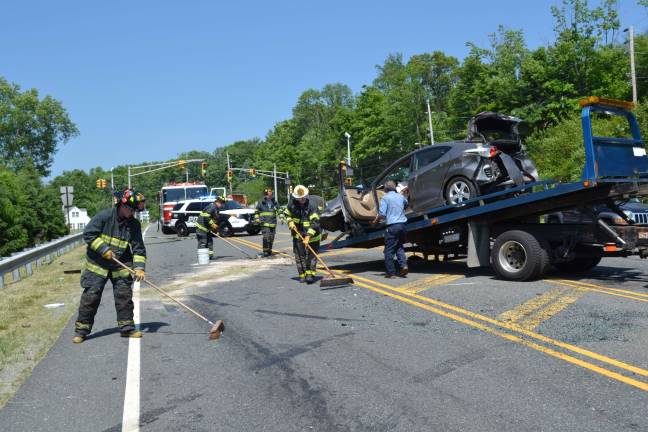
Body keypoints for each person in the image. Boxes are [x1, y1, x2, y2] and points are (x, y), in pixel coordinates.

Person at [72, 189, 147, 343]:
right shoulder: (104, 216)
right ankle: (81, 331)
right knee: (91, 297)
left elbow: (138, 248)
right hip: (98, 263)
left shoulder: (134, 224)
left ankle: (127, 329)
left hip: (121, 263)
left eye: (134, 210)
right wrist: (103, 249)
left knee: (124, 296)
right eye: (130, 209)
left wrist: (139, 268)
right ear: (122, 205)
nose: (132, 213)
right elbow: (89, 234)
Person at [372, 180, 409, 278]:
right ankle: (403, 266)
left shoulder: (385, 198)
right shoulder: (400, 197)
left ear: (386, 189)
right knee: (399, 247)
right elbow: (406, 204)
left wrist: (375, 221)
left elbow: (382, 214)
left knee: (388, 250)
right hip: (402, 226)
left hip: (392, 227)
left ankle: (391, 273)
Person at [284, 185, 321, 284]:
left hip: (313, 235)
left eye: (303, 197)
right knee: (299, 255)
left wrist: (308, 236)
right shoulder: (292, 204)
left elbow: (315, 223)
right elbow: (287, 214)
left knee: (311, 256)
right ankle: (302, 274)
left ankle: (310, 275)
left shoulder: (312, 206)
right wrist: (290, 221)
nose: (301, 199)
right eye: (299, 198)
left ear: (306, 195)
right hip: (298, 234)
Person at [255, 188, 279, 257]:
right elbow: (256, 211)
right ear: (266, 193)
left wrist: (282, 217)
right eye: (269, 191)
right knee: (266, 237)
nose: (270, 193)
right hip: (264, 223)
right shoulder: (261, 202)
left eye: (271, 191)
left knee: (271, 238)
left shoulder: (274, 202)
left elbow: (279, 209)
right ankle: (265, 251)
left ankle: (269, 250)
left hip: (273, 223)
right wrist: (257, 218)